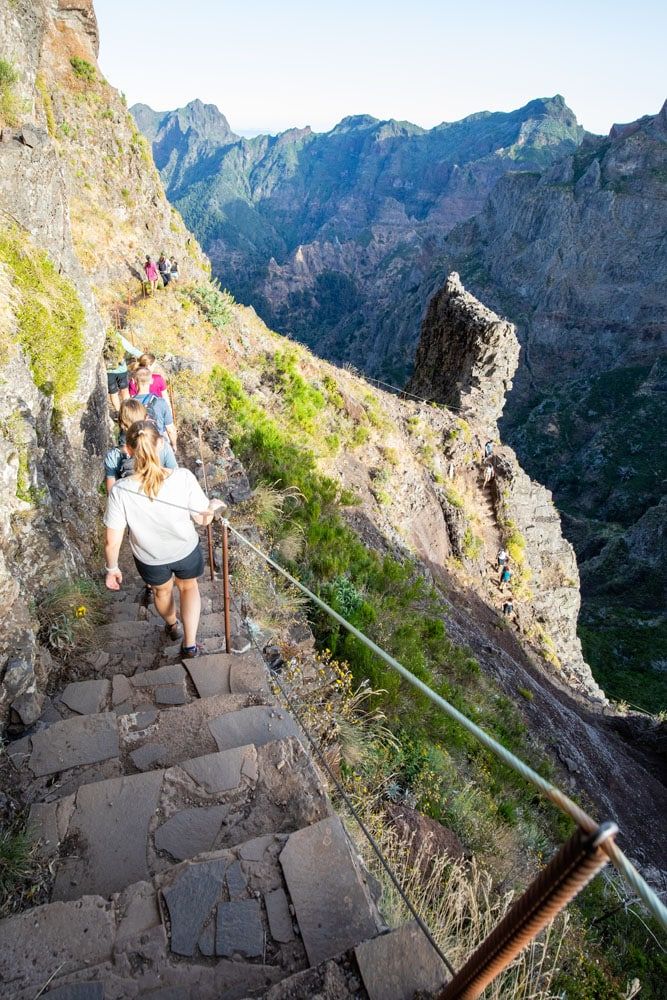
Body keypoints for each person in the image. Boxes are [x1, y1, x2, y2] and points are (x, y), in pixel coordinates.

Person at [103, 421, 226, 657]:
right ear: (160, 445)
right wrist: (212, 507)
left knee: (162, 593)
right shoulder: (183, 477)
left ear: (127, 450)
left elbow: (112, 541)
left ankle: (172, 626)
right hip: (185, 551)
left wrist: (112, 568)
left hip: (150, 558)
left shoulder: (120, 491)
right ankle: (190, 645)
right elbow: (202, 520)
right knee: (189, 588)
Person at [104, 399, 177, 493]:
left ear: (121, 423)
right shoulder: (162, 446)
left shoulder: (113, 456)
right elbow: (176, 477)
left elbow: (111, 492)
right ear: (146, 418)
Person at [133, 366, 178, 455]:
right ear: (151, 381)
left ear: (134, 381)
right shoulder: (160, 402)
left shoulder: (129, 404)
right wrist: (174, 445)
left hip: (138, 448)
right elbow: (170, 429)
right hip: (159, 446)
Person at [104, 328, 142, 413]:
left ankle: (118, 412)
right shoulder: (117, 337)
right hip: (121, 369)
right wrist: (143, 356)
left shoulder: (102, 337)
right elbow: (131, 349)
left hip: (108, 370)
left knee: (113, 393)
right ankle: (128, 410)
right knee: (124, 390)